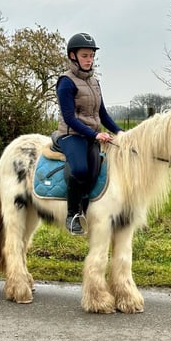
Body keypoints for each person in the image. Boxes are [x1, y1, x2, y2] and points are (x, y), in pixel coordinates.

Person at [56, 32, 123, 235]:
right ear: (73, 56)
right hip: (71, 135)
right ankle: (72, 215)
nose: (89, 60)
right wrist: (94, 135)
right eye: (85, 55)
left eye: (92, 56)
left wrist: (120, 132)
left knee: (96, 171)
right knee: (80, 170)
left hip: (91, 135)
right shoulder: (66, 82)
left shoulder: (95, 82)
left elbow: (102, 114)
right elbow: (69, 118)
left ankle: (88, 211)